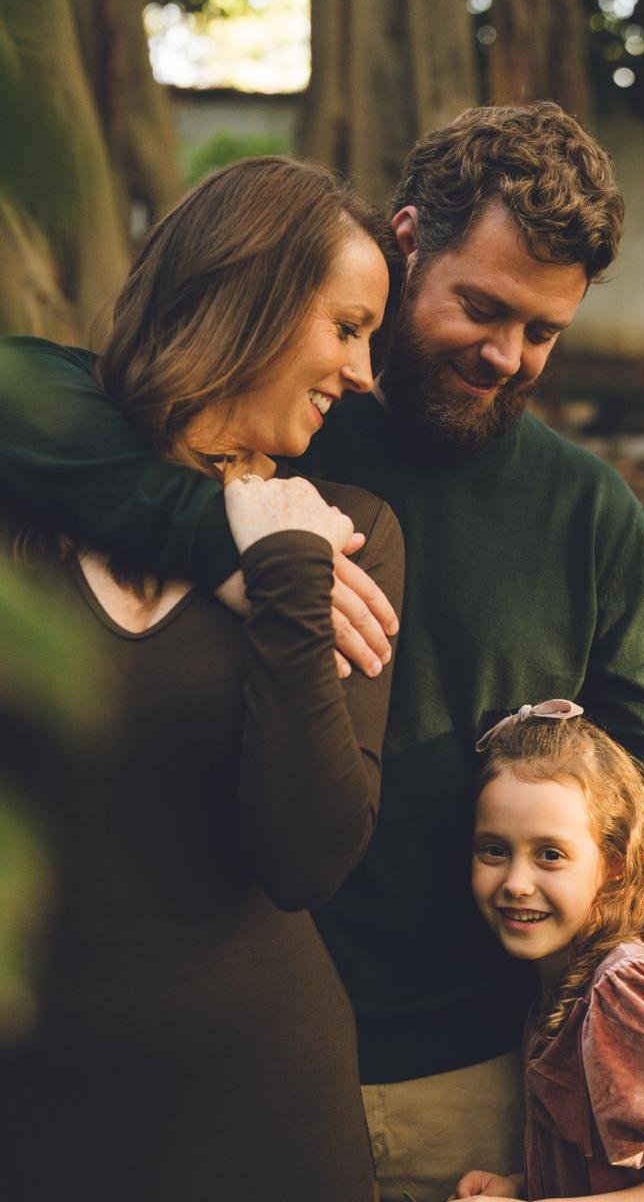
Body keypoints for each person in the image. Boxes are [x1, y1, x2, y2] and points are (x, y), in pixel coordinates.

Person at [0, 104, 644, 1202]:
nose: (506, 356)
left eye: (543, 333)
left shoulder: (582, 511)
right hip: (195, 1061)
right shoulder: (278, 416)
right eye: (482, 307)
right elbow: (38, 399)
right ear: (407, 241)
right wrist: (214, 530)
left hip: (457, 1080)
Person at [0, 156, 403, 1201]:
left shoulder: (345, 537)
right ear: (247, 292)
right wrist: (208, 529)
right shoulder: (29, 496)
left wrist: (283, 578)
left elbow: (308, 856)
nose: (364, 372)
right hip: (34, 1114)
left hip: (260, 1115)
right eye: (347, 326)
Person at [452, 699, 644, 1202]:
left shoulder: (623, 994)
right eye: (494, 850)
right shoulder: (564, 986)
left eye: (550, 855)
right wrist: (518, 1188)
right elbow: (611, 1173)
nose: (516, 883)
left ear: (614, 865)